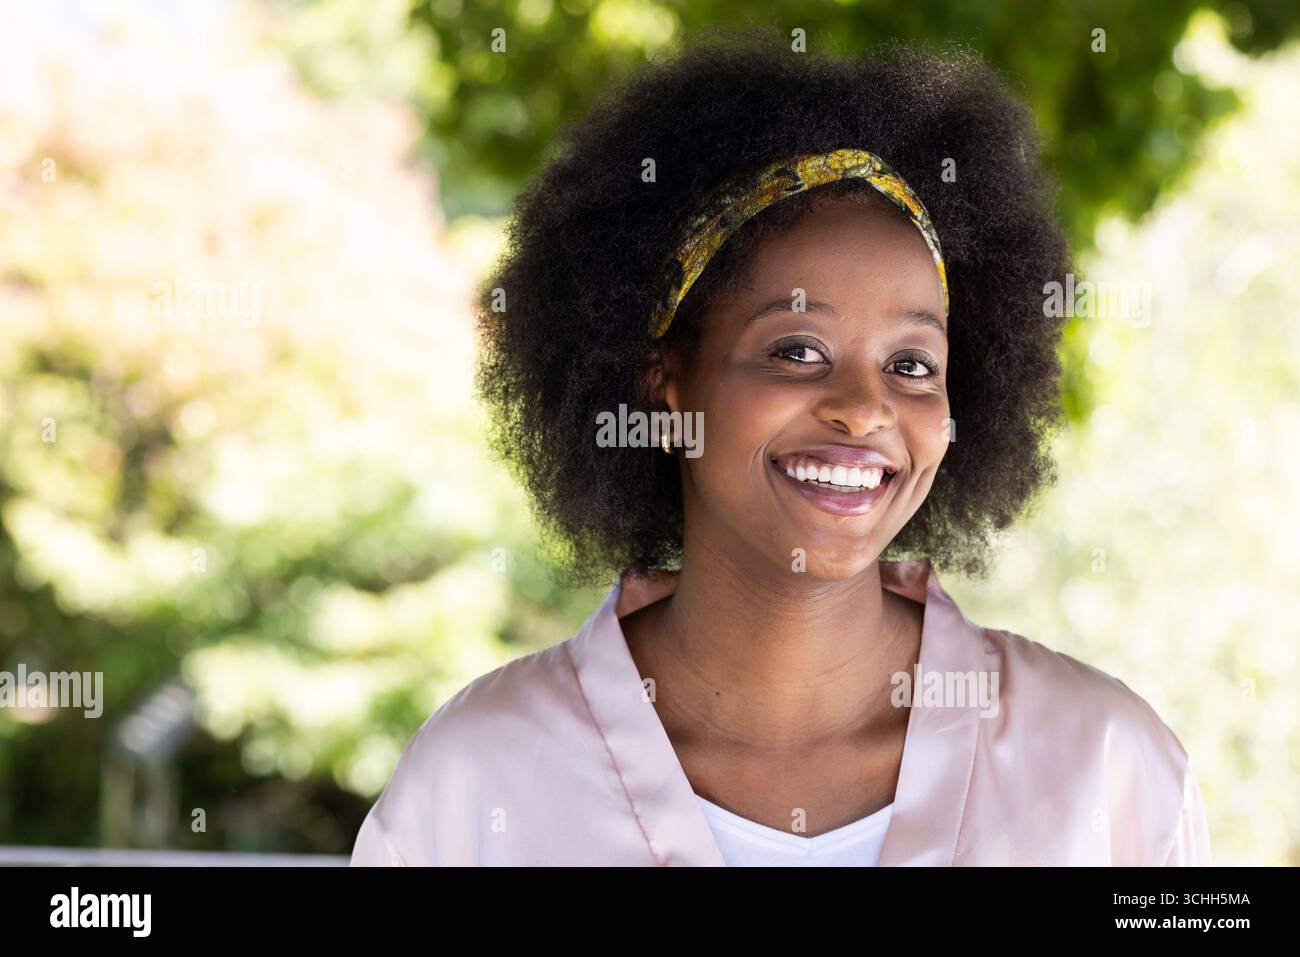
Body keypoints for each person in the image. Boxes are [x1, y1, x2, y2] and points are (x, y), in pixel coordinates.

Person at [351, 31, 1211, 866]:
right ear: (664, 378)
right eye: (797, 349)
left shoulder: (1106, 771)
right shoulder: (475, 787)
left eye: (913, 364)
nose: (865, 408)